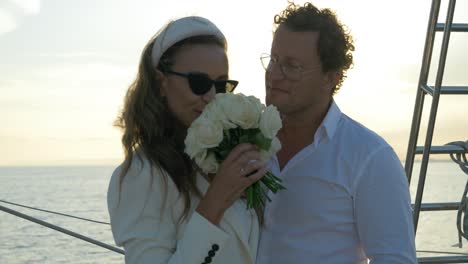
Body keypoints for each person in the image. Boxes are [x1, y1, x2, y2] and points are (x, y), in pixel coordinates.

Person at [256, 3, 417, 264]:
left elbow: (395, 259)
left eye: (292, 66)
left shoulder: (370, 158)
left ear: (330, 77)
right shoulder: (245, 138)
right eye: (273, 60)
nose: (274, 74)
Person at [107, 16, 269, 264]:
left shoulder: (224, 156)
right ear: (161, 83)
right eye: (199, 82)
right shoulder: (142, 174)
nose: (212, 96)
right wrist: (216, 200)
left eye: (221, 84)